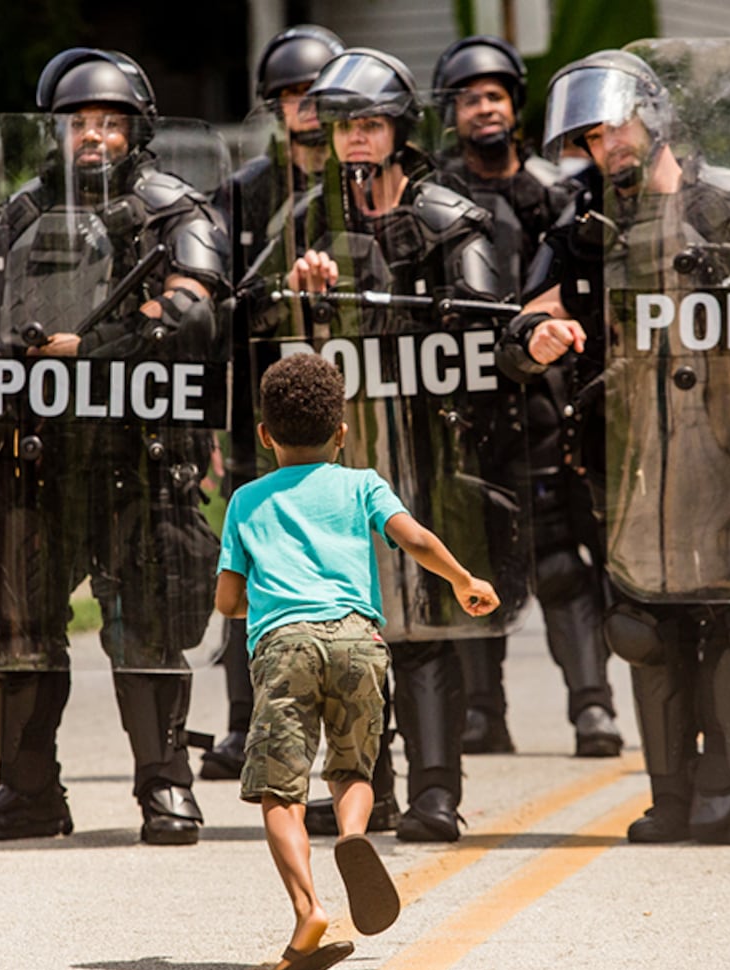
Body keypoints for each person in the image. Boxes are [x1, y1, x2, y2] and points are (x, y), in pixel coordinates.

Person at [497, 48, 730, 846]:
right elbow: (518, 335)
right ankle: (669, 797)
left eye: (612, 126)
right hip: (631, 458)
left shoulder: (728, 200)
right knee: (644, 625)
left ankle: (728, 798)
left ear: (651, 115)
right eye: (587, 137)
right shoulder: (584, 225)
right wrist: (537, 338)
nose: (603, 146)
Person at [0, 48, 229, 844]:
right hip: (36, 456)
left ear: (136, 129)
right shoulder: (23, 210)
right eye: (80, 123)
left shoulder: (174, 209)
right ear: (58, 131)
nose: (94, 137)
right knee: (21, 618)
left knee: (146, 618)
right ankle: (29, 789)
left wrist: (91, 350)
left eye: (109, 122)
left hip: (139, 455)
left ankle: (165, 788)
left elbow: (192, 312)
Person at [246, 46, 514, 843]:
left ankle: (436, 791)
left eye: (368, 124)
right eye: (340, 127)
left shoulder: (446, 215)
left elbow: (485, 317)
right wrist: (302, 289)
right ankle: (373, 786)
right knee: (353, 623)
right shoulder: (302, 222)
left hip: (426, 447)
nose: (354, 141)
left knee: (423, 620)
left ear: (399, 129)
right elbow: (251, 312)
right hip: (328, 464)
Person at [215, 352, 499, 970]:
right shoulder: (361, 482)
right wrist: (463, 579)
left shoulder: (245, 500)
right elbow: (414, 537)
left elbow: (228, 600)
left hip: (285, 644)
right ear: (341, 432)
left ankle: (309, 910)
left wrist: (259, 597)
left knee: (279, 790)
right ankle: (351, 836)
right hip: (358, 640)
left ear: (265, 436)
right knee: (353, 766)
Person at [431, 34, 622, 758]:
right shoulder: (436, 196)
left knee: (561, 562)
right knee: (472, 553)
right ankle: (483, 711)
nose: (484, 108)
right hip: (466, 400)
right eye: (469, 97)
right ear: (452, 114)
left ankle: (593, 708)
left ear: (516, 103)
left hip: (549, 397)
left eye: (495, 94)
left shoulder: (559, 191)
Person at [200, 23, 346, 784]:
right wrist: (214, 428)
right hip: (262, 403)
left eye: (320, 94)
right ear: (275, 106)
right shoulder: (243, 192)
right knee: (251, 563)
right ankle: (242, 723)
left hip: (357, 408)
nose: (308, 109)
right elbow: (215, 307)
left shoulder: (365, 180)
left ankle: (359, 727)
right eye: (293, 96)